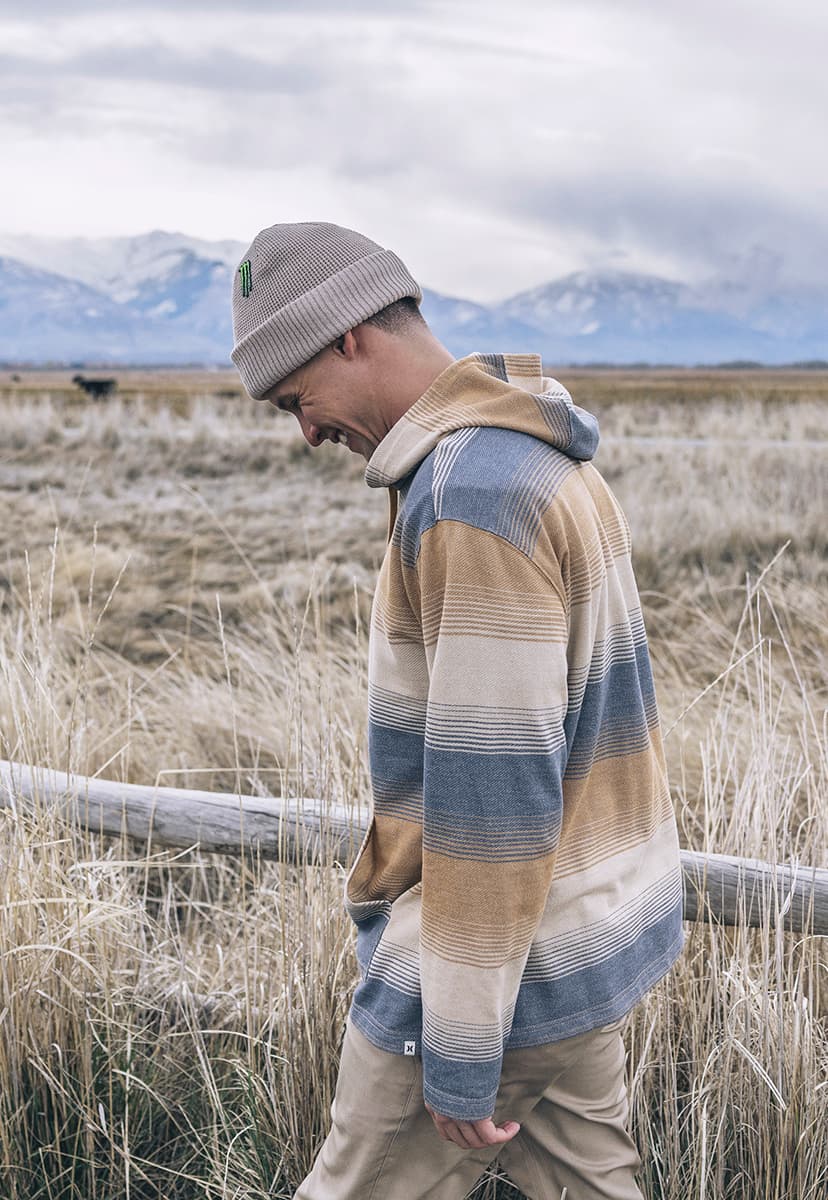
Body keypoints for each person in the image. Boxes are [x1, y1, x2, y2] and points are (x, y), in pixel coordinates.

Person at [230, 221, 686, 1200]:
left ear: (350, 335)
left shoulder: (472, 489)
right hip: (582, 943)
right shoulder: (538, 454)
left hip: (488, 969)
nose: (305, 432)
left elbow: (496, 783)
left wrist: (463, 1042)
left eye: (295, 398)